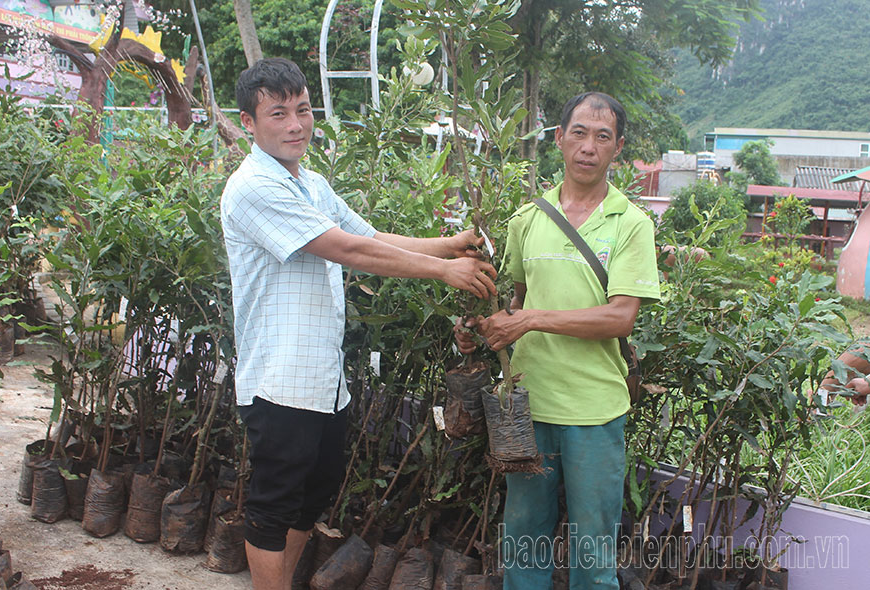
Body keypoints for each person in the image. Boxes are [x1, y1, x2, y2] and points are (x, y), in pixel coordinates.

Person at [220, 57, 497, 590]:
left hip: (323, 380)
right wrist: (444, 271)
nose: (296, 124)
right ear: (249, 124)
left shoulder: (313, 184)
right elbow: (346, 249)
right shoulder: (254, 186)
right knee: (275, 502)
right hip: (279, 380)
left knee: (315, 492)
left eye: (302, 110)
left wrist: (448, 244)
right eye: (278, 114)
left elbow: (369, 235)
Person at [455, 92, 661, 589]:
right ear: (559, 140)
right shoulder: (528, 220)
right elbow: (514, 303)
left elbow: (619, 318)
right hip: (528, 407)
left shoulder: (631, 224)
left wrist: (529, 321)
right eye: (579, 133)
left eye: (602, 136)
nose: (588, 147)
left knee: (594, 550)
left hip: (594, 411)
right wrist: (480, 330)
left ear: (618, 148)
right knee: (524, 537)